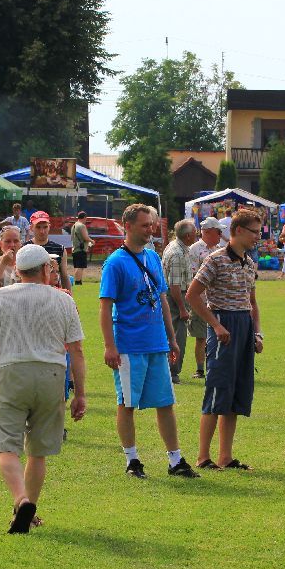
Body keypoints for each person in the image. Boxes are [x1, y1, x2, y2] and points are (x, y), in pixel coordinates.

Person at [0, 244, 86, 533]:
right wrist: (80, 393)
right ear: (44, 270)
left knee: (6, 446)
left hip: (11, 372)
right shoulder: (64, 300)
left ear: (17, 270)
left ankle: (21, 499)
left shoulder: (0, 297)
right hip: (52, 375)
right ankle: (26, 511)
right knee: (38, 451)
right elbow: (76, 350)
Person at [99, 204, 198, 480]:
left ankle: (175, 460)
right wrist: (110, 346)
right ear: (127, 226)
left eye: (152, 225)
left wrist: (170, 337)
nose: (150, 230)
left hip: (156, 343)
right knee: (127, 404)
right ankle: (132, 459)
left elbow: (163, 298)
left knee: (165, 402)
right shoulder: (115, 263)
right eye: (145, 225)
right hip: (130, 344)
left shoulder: (153, 257)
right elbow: (105, 307)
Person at [185, 209, 263, 470]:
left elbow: (252, 302)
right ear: (238, 231)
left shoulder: (249, 263)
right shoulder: (215, 260)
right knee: (216, 391)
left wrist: (257, 333)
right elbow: (193, 295)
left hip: (243, 326)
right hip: (224, 326)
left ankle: (225, 457)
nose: (257, 237)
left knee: (236, 394)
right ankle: (203, 457)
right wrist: (216, 325)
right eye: (254, 232)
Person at [186, 217, 223, 379]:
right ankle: (200, 369)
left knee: (218, 334)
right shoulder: (194, 250)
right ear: (207, 232)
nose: (221, 234)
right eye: (218, 231)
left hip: (217, 300)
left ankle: (215, 366)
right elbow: (193, 276)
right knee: (201, 336)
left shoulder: (220, 249)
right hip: (200, 299)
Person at [161, 219, 197, 384]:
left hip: (177, 295)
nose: (196, 235)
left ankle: (170, 371)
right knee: (178, 336)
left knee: (174, 334)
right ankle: (173, 372)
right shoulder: (177, 253)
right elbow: (174, 285)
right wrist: (182, 308)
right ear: (188, 235)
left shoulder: (177, 247)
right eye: (194, 233)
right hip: (176, 297)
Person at [25, 210, 71, 291]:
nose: (42, 231)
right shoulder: (24, 248)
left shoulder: (60, 249)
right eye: (38, 227)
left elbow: (64, 275)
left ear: (49, 226)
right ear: (31, 227)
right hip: (30, 294)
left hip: (53, 296)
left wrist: (70, 297)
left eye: (45, 227)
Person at [70, 211, 94, 285]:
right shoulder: (81, 226)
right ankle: (78, 282)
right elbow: (85, 237)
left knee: (77, 266)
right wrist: (92, 241)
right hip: (81, 249)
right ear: (84, 217)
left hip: (74, 249)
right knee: (80, 267)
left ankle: (76, 281)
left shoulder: (73, 226)